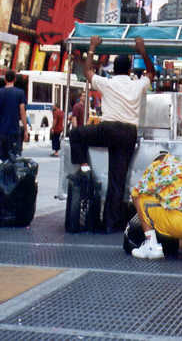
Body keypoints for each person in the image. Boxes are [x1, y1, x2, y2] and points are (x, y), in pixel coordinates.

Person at [70, 36, 155, 233]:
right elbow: (151, 72)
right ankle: (110, 224)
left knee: (77, 134)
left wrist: (92, 47)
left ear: (114, 70)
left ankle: (83, 166)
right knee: (117, 180)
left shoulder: (107, 83)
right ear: (129, 70)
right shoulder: (137, 84)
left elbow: (87, 72)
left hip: (108, 130)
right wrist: (142, 49)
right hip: (128, 134)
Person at [129, 151, 182, 260]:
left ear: (156, 161)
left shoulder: (155, 166)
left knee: (139, 196)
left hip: (177, 223)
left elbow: (136, 192)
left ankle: (151, 245)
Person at [0, 70, 29, 162]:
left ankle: (5, 175)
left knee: (4, 157)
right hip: (15, 129)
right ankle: (12, 176)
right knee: (15, 156)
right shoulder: (20, 93)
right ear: (15, 79)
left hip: (2, 129)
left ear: (5, 79)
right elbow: (22, 112)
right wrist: (26, 129)